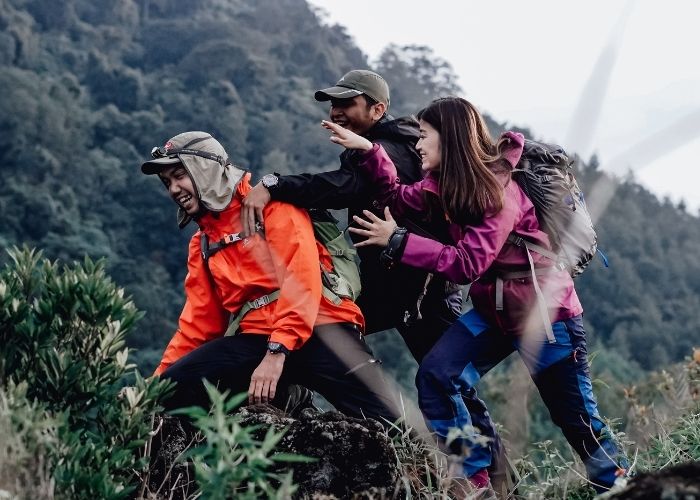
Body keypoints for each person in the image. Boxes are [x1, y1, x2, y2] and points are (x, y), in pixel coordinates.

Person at [323, 96, 628, 492]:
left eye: (424, 135)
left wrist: (396, 240)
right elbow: (399, 197)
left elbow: (467, 264)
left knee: (576, 419)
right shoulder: (446, 184)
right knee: (437, 376)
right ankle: (476, 481)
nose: (417, 144)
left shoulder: (499, 192)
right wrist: (369, 150)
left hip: (545, 317)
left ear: (448, 138)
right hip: (493, 312)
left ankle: (621, 487)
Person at [140, 130, 399, 424]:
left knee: (392, 425)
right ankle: (288, 397)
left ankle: (448, 465)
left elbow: (301, 279)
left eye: (179, 175)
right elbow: (198, 325)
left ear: (206, 168)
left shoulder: (273, 205)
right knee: (168, 394)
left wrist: (277, 352)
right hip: (255, 341)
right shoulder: (203, 243)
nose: (174, 189)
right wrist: (150, 390)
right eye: (167, 183)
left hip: (323, 328)